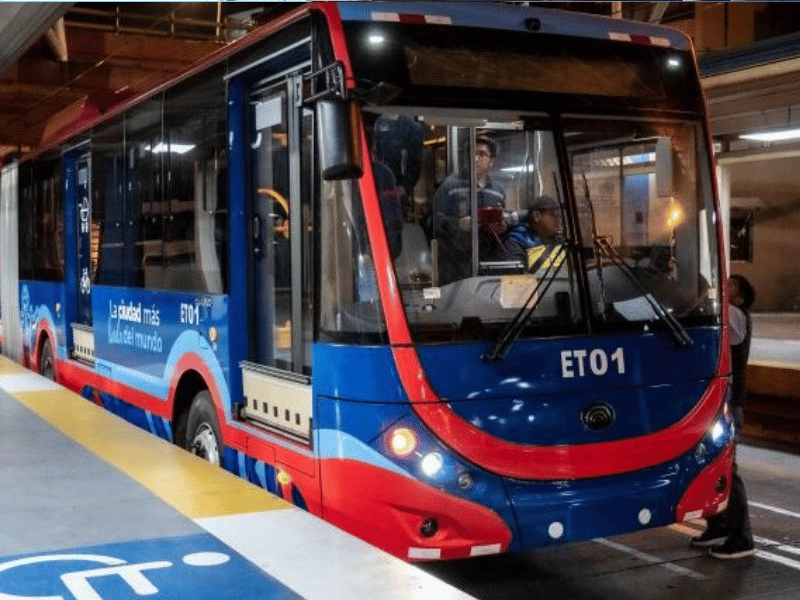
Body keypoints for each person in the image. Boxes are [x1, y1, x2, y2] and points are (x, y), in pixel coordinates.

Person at [692, 274, 756, 559]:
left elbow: (734, 336)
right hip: (716, 402)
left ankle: (742, 537)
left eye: (730, 285)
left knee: (729, 468)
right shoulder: (727, 314)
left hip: (730, 402)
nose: (724, 287)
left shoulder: (737, 315)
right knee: (710, 464)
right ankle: (718, 524)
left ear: (740, 296)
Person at [432, 136, 506, 283]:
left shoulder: (498, 190)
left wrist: (501, 228)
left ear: (492, 161)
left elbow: (500, 217)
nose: (476, 158)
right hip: (455, 260)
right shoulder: (450, 186)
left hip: (488, 260)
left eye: (482, 154)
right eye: (472, 154)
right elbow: (433, 221)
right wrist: (458, 224)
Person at [503, 194, 565, 273]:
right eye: (552, 215)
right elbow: (517, 278)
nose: (558, 220)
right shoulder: (517, 243)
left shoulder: (561, 242)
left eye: (559, 216)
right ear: (536, 216)